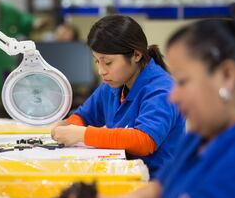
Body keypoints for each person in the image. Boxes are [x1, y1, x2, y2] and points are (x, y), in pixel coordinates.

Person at [67, 0, 235, 198]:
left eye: (183, 81)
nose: (174, 96)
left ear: (227, 75)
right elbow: (161, 187)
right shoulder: (205, 132)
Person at [51, 15, 186, 178]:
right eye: (96, 61)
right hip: (124, 175)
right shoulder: (113, 85)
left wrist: (82, 134)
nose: (101, 71)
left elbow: (145, 141)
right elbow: (84, 116)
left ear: (136, 55)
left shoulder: (161, 90)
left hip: (158, 184)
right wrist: (67, 127)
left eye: (107, 62)